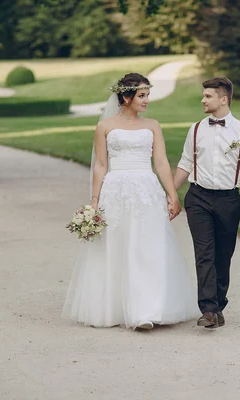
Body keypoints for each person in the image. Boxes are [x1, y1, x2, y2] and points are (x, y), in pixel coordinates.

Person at [62, 73, 198, 330]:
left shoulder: (153, 125)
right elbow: (101, 165)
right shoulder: (105, 126)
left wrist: (172, 195)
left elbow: (160, 162)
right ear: (126, 97)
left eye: (148, 95)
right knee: (118, 247)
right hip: (116, 191)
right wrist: (94, 201)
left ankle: (148, 309)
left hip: (146, 190)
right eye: (142, 95)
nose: (147, 100)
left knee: (148, 247)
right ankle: (116, 307)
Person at [173, 77, 240, 329]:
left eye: (208, 96)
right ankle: (208, 310)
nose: (203, 100)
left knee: (223, 256)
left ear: (224, 99)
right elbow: (185, 164)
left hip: (228, 200)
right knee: (204, 254)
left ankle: (218, 304)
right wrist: (168, 193)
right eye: (203, 95)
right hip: (198, 197)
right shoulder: (196, 129)